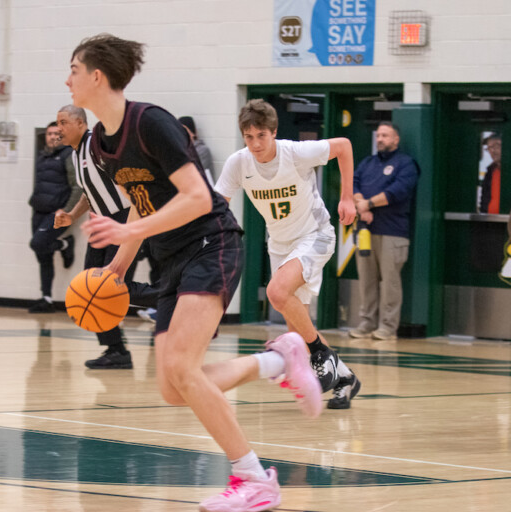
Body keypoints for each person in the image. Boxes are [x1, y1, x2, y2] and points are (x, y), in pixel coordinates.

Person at [67, 33, 323, 512]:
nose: (68, 80)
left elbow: (198, 198)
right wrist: (119, 268)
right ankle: (279, 361)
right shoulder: (101, 143)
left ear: (97, 76)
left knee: (183, 370)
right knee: (172, 387)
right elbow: (143, 205)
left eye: (74, 70)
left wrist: (128, 232)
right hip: (170, 258)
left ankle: (254, 479)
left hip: (211, 244)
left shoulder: (151, 122)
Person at [215, 99, 360, 410]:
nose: (255, 144)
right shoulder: (238, 163)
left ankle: (324, 355)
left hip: (315, 235)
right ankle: (345, 378)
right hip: (280, 244)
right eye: (249, 136)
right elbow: (218, 205)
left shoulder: (295, 152)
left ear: (274, 132)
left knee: (276, 292)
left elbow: (344, 146)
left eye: (261, 136)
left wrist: (347, 196)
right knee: (298, 332)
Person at [54, 104, 156, 369]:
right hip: (100, 224)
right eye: (57, 123)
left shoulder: (97, 145)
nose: (58, 128)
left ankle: (175, 297)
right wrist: (72, 215)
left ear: (80, 123)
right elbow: (90, 192)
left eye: (64, 122)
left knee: (112, 285)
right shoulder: (75, 155)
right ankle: (116, 351)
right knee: (89, 291)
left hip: (123, 220)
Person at [349, 122, 419, 341]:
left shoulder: (406, 164)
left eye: (385, 135)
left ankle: (388, 327)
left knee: (390, 282)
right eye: (378, 135)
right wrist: (361, 205)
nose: (380, 139)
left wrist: (368, 204)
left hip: (393, 232)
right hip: (365, 231)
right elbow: (352, 184)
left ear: (396, 139)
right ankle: (367, 323)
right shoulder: (367, 163)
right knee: (366, 280)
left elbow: (397, 191)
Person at [28, 121, 82, 313]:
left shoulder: (68, 156)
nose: (52, 137)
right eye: (49, 134)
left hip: (55, 213)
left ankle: (65, 244)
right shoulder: (42, 156)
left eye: (56, 134)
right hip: (38, 211)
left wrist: (66, 211)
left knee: (36, 243)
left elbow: (77, 187)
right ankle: (47, 298)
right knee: (43, 256)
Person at [179, 115, 215, 185]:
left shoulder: (203, 150)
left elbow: (190, 172)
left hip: (203, 190)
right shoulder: (183, 148)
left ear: (192, 133)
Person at [479, 133, 501, 214]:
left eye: (497, 145)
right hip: (490, 221)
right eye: (489, 147)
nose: (493, 150)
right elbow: (484, 199)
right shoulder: (490, 171)